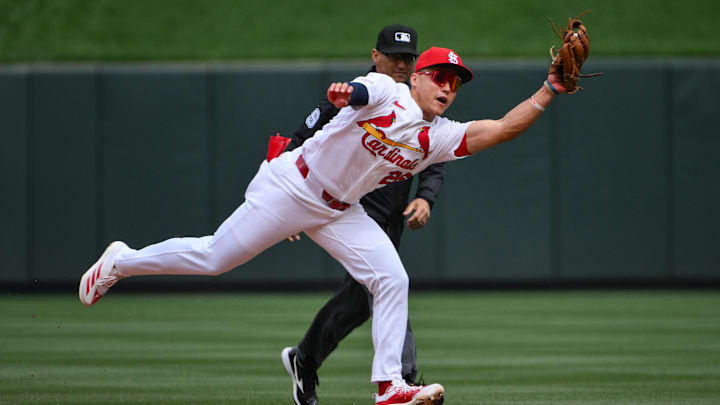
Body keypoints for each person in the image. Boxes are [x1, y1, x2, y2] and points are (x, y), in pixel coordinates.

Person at [79, 44, 567, 405]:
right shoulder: (387, 93)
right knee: (214, 258)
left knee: (392, 277)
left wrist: (549, 89)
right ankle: (121, 261)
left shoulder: (437, 137)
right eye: (439, 75)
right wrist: (346, 92)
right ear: (416, 78)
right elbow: (357, 90)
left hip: (338, 210)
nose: (447, 86)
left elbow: (503, 128)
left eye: (455, 82)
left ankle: (390, 387)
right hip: (292, 186)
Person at [280, 24, 445, 405]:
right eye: (393, 56)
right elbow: (299, 140)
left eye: (407, 57)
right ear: (376, 56)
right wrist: (286, 205)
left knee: (358, 301)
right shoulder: (357, 94)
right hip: (351, 208)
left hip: (390, 214)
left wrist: (427, 198)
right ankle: (403, 380)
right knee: (388, 284)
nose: (401, 63)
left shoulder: (418, 101)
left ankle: (304, 359)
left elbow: (434, 153)